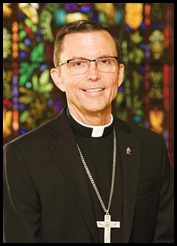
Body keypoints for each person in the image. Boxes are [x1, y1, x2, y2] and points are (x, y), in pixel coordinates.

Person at [3, 19, 174, 243]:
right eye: (78, 63)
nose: (93, 75)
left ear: (119, 74)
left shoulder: (152, 147)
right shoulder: (23, 156)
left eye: (104, 61)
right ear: (58, 78)